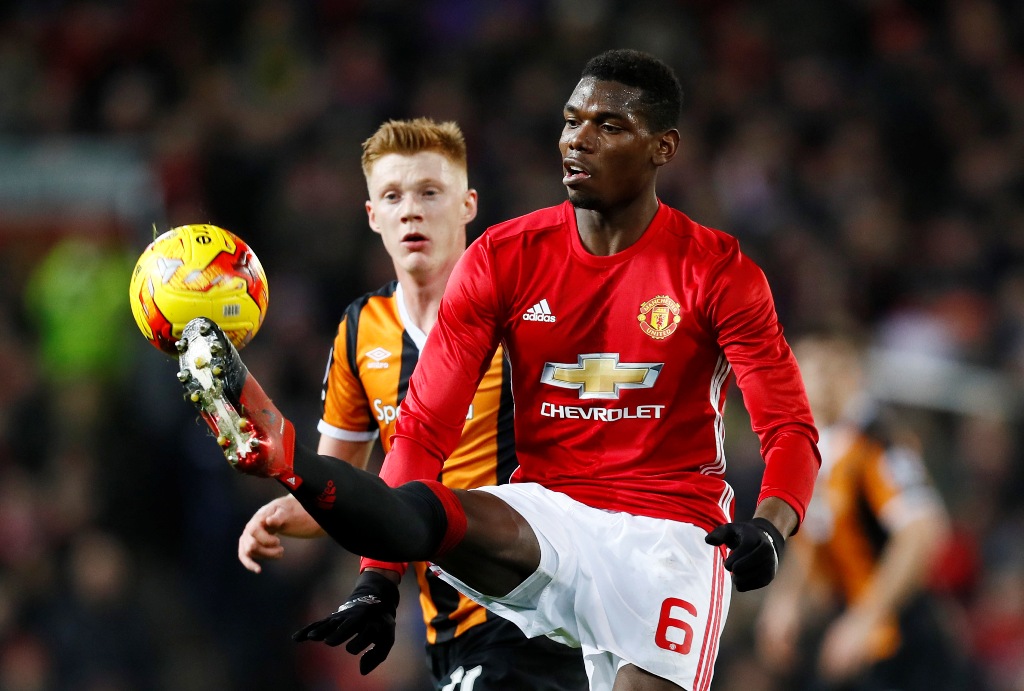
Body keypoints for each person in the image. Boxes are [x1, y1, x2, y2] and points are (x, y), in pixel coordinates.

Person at [176, 48, 820, 690]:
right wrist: (377, 581)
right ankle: (281, 449)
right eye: (572, 121)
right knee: (435, 508)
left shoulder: (718, 271)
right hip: (551, 516)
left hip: (671, 539)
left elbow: (790, 430)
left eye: (609, 126)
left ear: (664, 147)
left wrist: (772, 525)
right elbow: (424, 428)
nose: (579, 140)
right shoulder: (506, 257)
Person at [236, 118, 587, 690]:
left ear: (468, 204)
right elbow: (347, 488)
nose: (411, 211)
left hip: (539, 609)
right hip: (447, 626)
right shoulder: (360, 331)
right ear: (372, 214)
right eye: (393, 196)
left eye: (430, 192)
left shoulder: (527, 311)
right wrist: (288, 512)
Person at [755, 330, 970, 690]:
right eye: (804, 365)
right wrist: (786, 600)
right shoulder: (820, 444)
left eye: (826, 366)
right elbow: (817, 533)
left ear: (851, 372)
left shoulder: (878, 443)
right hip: (855, 629)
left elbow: (923, 531)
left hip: (904, 642)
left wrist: (865, 619)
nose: (812, 378)